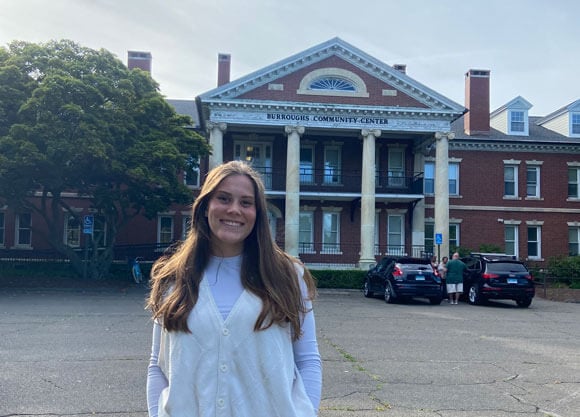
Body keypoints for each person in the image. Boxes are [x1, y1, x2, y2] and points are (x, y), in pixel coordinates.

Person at [145, 161, 322, 417]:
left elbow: (307, 360)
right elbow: (158, 366)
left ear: (258, 213)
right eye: (224, 198)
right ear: (205, 207)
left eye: (246, 202)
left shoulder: (287, 276)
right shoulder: (174, 278)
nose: (234, 210)